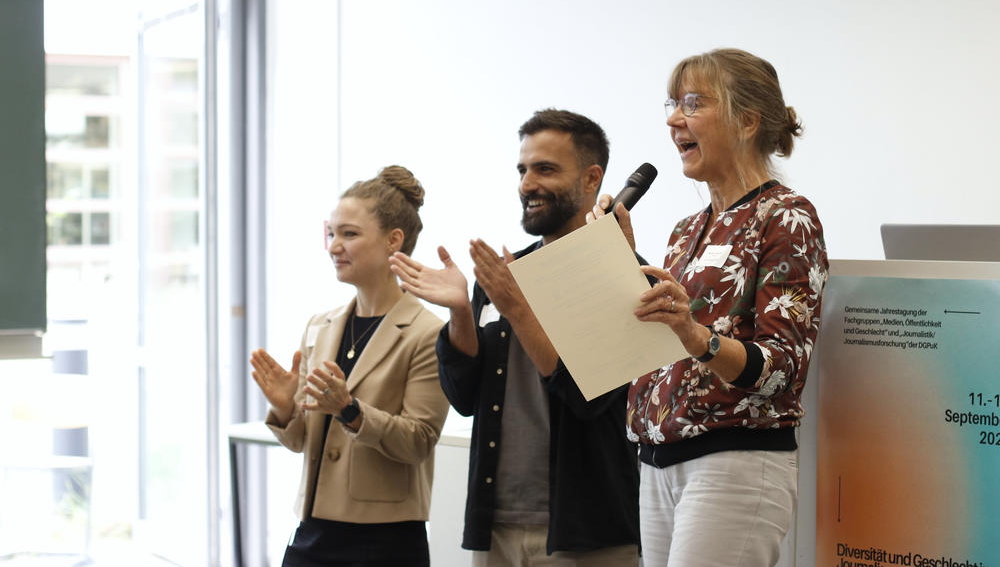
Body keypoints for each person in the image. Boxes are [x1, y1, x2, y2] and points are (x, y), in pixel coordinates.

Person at [596, 48, 829, 566]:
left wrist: (697, 336)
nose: (673, 119)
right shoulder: (686, 231)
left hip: (733, 463)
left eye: (693, 103)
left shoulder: (786, 218)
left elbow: (783, 370)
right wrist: (615, 259)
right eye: (672, 104)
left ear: (747, 120)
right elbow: (668, 331)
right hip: (657, 461)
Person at [389, 109, 641, 567]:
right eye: (523, 170)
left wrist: (517, 306)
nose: (527, 184)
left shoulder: (622, 273)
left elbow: (589, 399)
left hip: (587, 532)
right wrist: (461, 311)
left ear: (591, 178)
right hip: (497, 523)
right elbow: (466, 398)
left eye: (545, 169)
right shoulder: (502, 276)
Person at [250, 166, 450, 567]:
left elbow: (419, 441)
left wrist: (350, 410)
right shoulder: (319, 327)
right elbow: (301, 441)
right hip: (311, 534)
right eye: (332, 233)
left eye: (349, 234)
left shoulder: (427, 332)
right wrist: (286, 409)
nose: (333, 246)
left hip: (386, 542)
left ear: (394, 240)